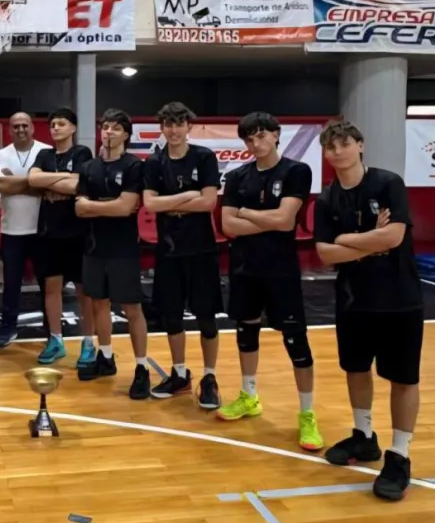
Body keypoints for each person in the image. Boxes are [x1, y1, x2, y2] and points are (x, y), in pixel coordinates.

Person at [314, 121, 422, 501]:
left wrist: (346, 241)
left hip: (399, 298)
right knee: (356, 369)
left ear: (360, 146)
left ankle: (400, 455)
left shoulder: (387, 183)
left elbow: (394, 237)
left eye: (344, 144)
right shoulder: (327, 199)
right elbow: (325, 254)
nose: (337, 152)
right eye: (330, 147)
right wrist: (368, 243)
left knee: (403, 377)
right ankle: (364, 437)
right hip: (353, 299)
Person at [218, 112, 322, 452]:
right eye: (249, 139)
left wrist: (246, 213)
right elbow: (228, 226)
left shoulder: (296, 171)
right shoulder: (236, 177)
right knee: (246, 332)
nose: (255, 143)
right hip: (245, 268)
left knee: (296, 340)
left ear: (276, 135)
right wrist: (264, 219)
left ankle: (307, 415)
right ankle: (249, 395)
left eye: (261, 136)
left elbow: (285, 219)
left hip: (281, 270)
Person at [142, 102, 222, 410]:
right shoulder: (154, 162)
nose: (174, 130)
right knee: (171, 316)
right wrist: (189, 195)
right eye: (168, 124)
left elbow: (208, 203)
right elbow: (150, 204)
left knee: (206, 317)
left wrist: (171, 203)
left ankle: (210, 377)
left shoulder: (204, 157)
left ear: (189, 126)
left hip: (200, 248)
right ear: (162, 127)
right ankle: (179, 373)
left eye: (179, 124)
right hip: (169, 249)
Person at [74, 109, 151, 398]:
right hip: (94, 246)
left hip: (123, 248)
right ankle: (105, 357)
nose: (108, 132)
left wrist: (97, 205)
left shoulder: (134, 166)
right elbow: (79, 208)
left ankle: (141, 368)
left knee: (132, 309)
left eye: (116, 128)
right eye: (105, 127)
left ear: (126, 135)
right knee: (98, 304)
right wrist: (110, 205)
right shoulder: (89, 166)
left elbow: (125, 207)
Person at [27, 107, 96, 367]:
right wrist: (62, 178)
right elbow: (33, 180)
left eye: (61, 124)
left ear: (73, 128)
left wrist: (49, 180)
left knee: (84, 292)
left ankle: (88, 342)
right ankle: (56, 340)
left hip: (77, 233)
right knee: (51, 289)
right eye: (53, 124)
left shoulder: (82, 153)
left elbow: (77, 184)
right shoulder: (44, 154)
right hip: (48, 233)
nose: (56, 127)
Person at [0, 112, 51, 348]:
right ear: (9, 130)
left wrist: (16, 181)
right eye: (16, 126)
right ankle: (8, 329)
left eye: (25, 125)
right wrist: (33, 181)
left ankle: (52, 331)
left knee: (48, 284)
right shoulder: (1, 154)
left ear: (33, 128)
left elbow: (47, 188)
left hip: (42, 230)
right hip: (11, 231)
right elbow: (2, 186)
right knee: (11, 284)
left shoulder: (45, 151)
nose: (21, 129)